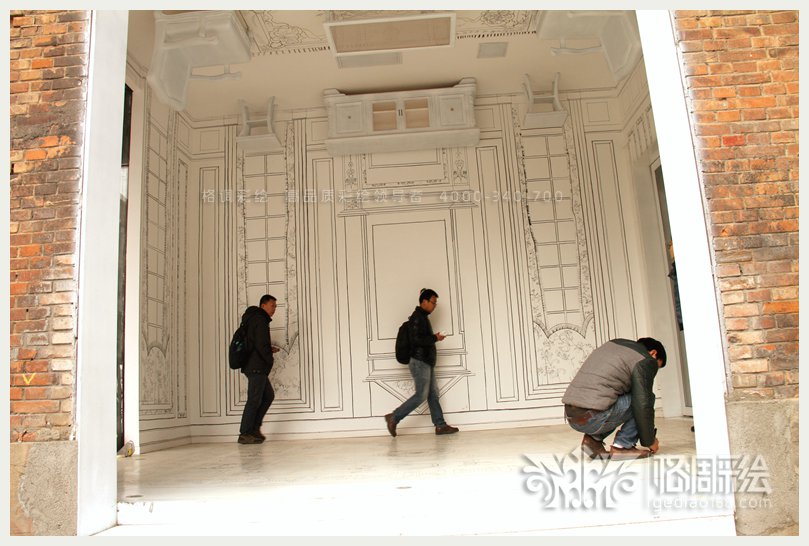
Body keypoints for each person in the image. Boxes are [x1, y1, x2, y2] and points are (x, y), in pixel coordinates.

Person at [561, 337, 666, 460]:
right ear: (653, 353)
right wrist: (650, 440)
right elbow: (642, 404)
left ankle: (593, 441)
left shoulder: (613, 345)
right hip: (593, 418)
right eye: (657, 366)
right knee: (645, 399)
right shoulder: (645, 359)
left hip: (572, 416)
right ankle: (622, 447)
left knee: (617, 398)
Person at [385, 288, 459, 437]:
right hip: (420, 362)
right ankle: (394, 417)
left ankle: (440, 425)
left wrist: (434, 338)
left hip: (426, 361)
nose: (434, 306)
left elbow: (419, 338)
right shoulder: (417, 317)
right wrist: (435, 338)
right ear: (424, 301)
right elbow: (416, 340)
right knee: (421, 395)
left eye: (435, 303)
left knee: (433, 394)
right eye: (433, 302)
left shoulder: (422, 317)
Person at [237, 294, 280, 445]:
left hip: (254, 365)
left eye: (275, 306)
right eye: (272, 305)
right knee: (254, 400)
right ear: (263, 305)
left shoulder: (254, 319)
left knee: (268, 396)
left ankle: (254, 429)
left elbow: (257, 343)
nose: (274, 309)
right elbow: (261, 345)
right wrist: (269, 359)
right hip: (256, 367)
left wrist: (268, 349)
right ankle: (245, 433)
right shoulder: (260, 319)